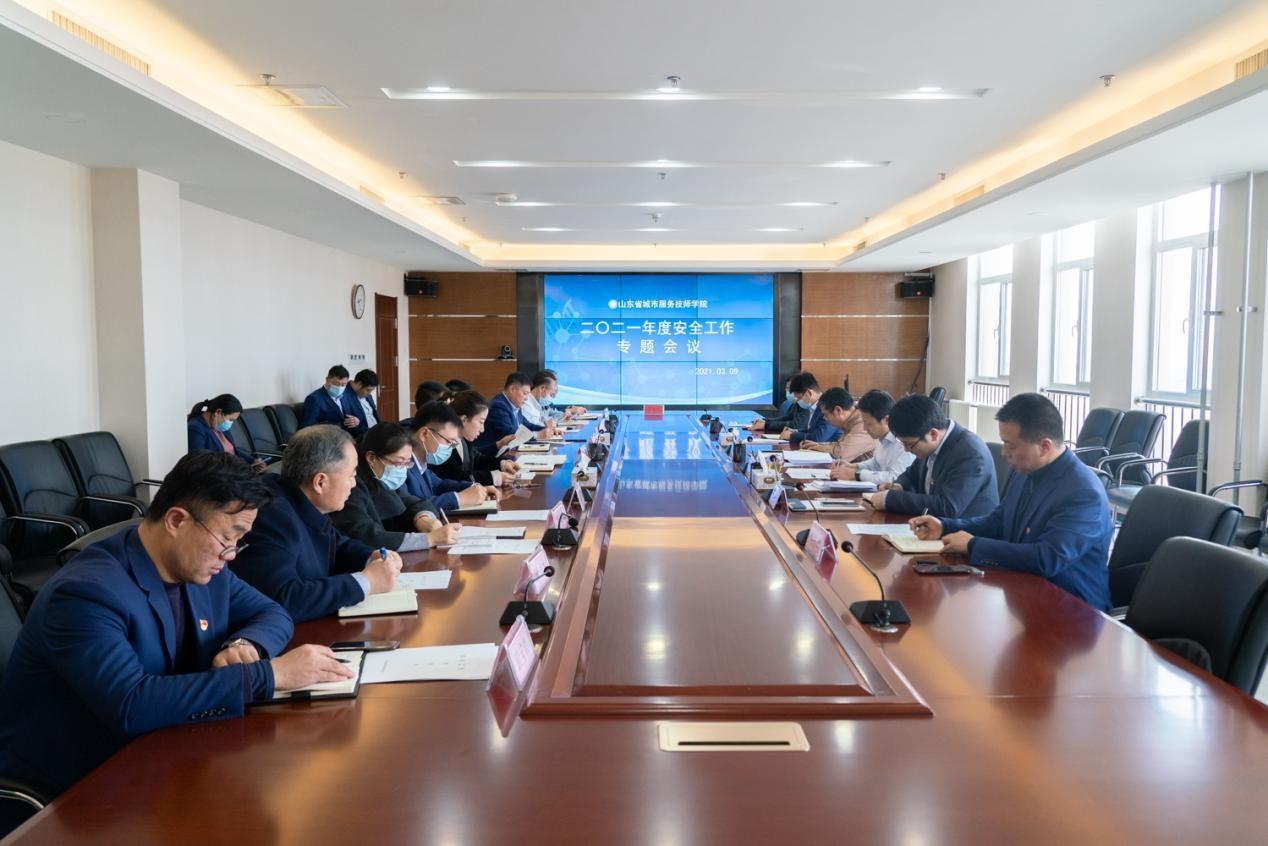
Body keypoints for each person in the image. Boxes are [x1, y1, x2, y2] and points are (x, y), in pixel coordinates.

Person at [0, 452, 353, 798]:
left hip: (165, 753)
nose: (231, 554)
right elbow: (131, 704)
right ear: (176, 520)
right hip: (78, 789)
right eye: (227, 537)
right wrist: (268, 675)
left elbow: (273, 613)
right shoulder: (85, 593)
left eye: (238, 541)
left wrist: (245, 646)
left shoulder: (204, 566)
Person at [909, 393, 1113, 609]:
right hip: (1023, 593)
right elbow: (998, 522)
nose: (1004, 452)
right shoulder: (1025, 471)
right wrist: (945, 527)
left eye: (1010, 445)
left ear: (1044, 446)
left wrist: (973, 545)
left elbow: (1047, 558)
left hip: (1073, 609)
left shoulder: (1083, 493)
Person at [231, 425, 404, 622]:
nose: (354, 484)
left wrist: (371, 557)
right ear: (320, 482)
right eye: (351, 475)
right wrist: (366, 582)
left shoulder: (301, 500)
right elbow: (283, 598)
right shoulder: (271, 516)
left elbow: (337, 546)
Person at [330, 422, 462, 551]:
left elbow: (415, 502)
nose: (403, 470)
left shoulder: (382, 479)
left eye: (407, 463)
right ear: (371, 458)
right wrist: (429, 539)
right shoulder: (352, 486)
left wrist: (422, 518)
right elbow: (365, 535)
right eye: (399, 462)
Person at [870, 394, 998, 518]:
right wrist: (898, 487)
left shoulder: (970, 453)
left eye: (909, 444)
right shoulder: (930, 442)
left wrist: (891, 499)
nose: (906, 449)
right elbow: (912, 474)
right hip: (931, 525)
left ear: (933, 434)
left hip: (964, 529)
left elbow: (947, 507)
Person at [405, 401, 496, 509]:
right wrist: (461, 498)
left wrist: (475, 488)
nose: (450, 449)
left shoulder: (421, 464)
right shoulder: (400, 466)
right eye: (449, 442)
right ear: (424, 434)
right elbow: (411, 508)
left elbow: (439, 485)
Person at [433, 391, 521, 487]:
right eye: (481, 422)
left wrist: (502, 464)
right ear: (464, 420)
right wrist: (493, 477)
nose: (482, 429)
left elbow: (477, 459)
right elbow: (455, 477)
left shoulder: (464, 440)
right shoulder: (443, 446)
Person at [831, 389, 916, 483]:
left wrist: (856, 474)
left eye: (869, 423)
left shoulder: (904, 442)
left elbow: (894, 478)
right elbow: (876, 463)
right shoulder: (882, 438)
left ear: (886, 420)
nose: (865, 428)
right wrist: (853, 466)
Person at [474, 371, 556, 452]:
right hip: (490, 455)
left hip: (510, 451)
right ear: (512, 389)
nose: (526, 398)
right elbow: (510, 433)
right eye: (525, 393)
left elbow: (527, 425)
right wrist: (537, 435)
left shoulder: (515, 404)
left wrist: (547, 429)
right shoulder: (499, 406)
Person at [186, 393, 266, 472]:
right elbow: (200, 465)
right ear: (218, 412)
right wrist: (239, 469)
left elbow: (233, 450)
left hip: (236, 472)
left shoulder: (219, 425)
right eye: (230, 420)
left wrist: (253, 461)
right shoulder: (195, 429)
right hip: (222, 477)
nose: (231, 423)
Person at [799, 387, 874, 462]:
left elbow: (841, 454)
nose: (825, 418)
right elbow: (840, 445)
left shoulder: (863, 423)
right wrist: (818, 445)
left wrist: (817, 447)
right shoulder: (850, 421)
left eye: (826, 415)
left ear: (838, 410)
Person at [781, 373, 839, 447]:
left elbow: (819, 437)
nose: (797, 401)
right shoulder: (815, 407)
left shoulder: (828, 406)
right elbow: (812, 431)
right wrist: (796, 431)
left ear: (809, 393)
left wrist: (792, 435)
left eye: (799, 398)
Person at [300, 365, 359, 431]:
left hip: (349, 434)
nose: (339, 387)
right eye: (336, 384)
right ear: (327, 379)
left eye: (343, 384)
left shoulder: (345, 395)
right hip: (329, 435)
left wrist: (356, 421)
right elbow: (307, 427)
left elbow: (353, 414)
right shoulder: (314, 399)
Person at [344, 369, 380, 437]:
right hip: (363, 436)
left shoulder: (366, 394)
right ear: (359, 384)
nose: (369, 393)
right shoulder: (345, 396)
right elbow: (349, 424)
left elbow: (373, 413)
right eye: (368, 390)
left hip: (376, 431)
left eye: (371, 390)